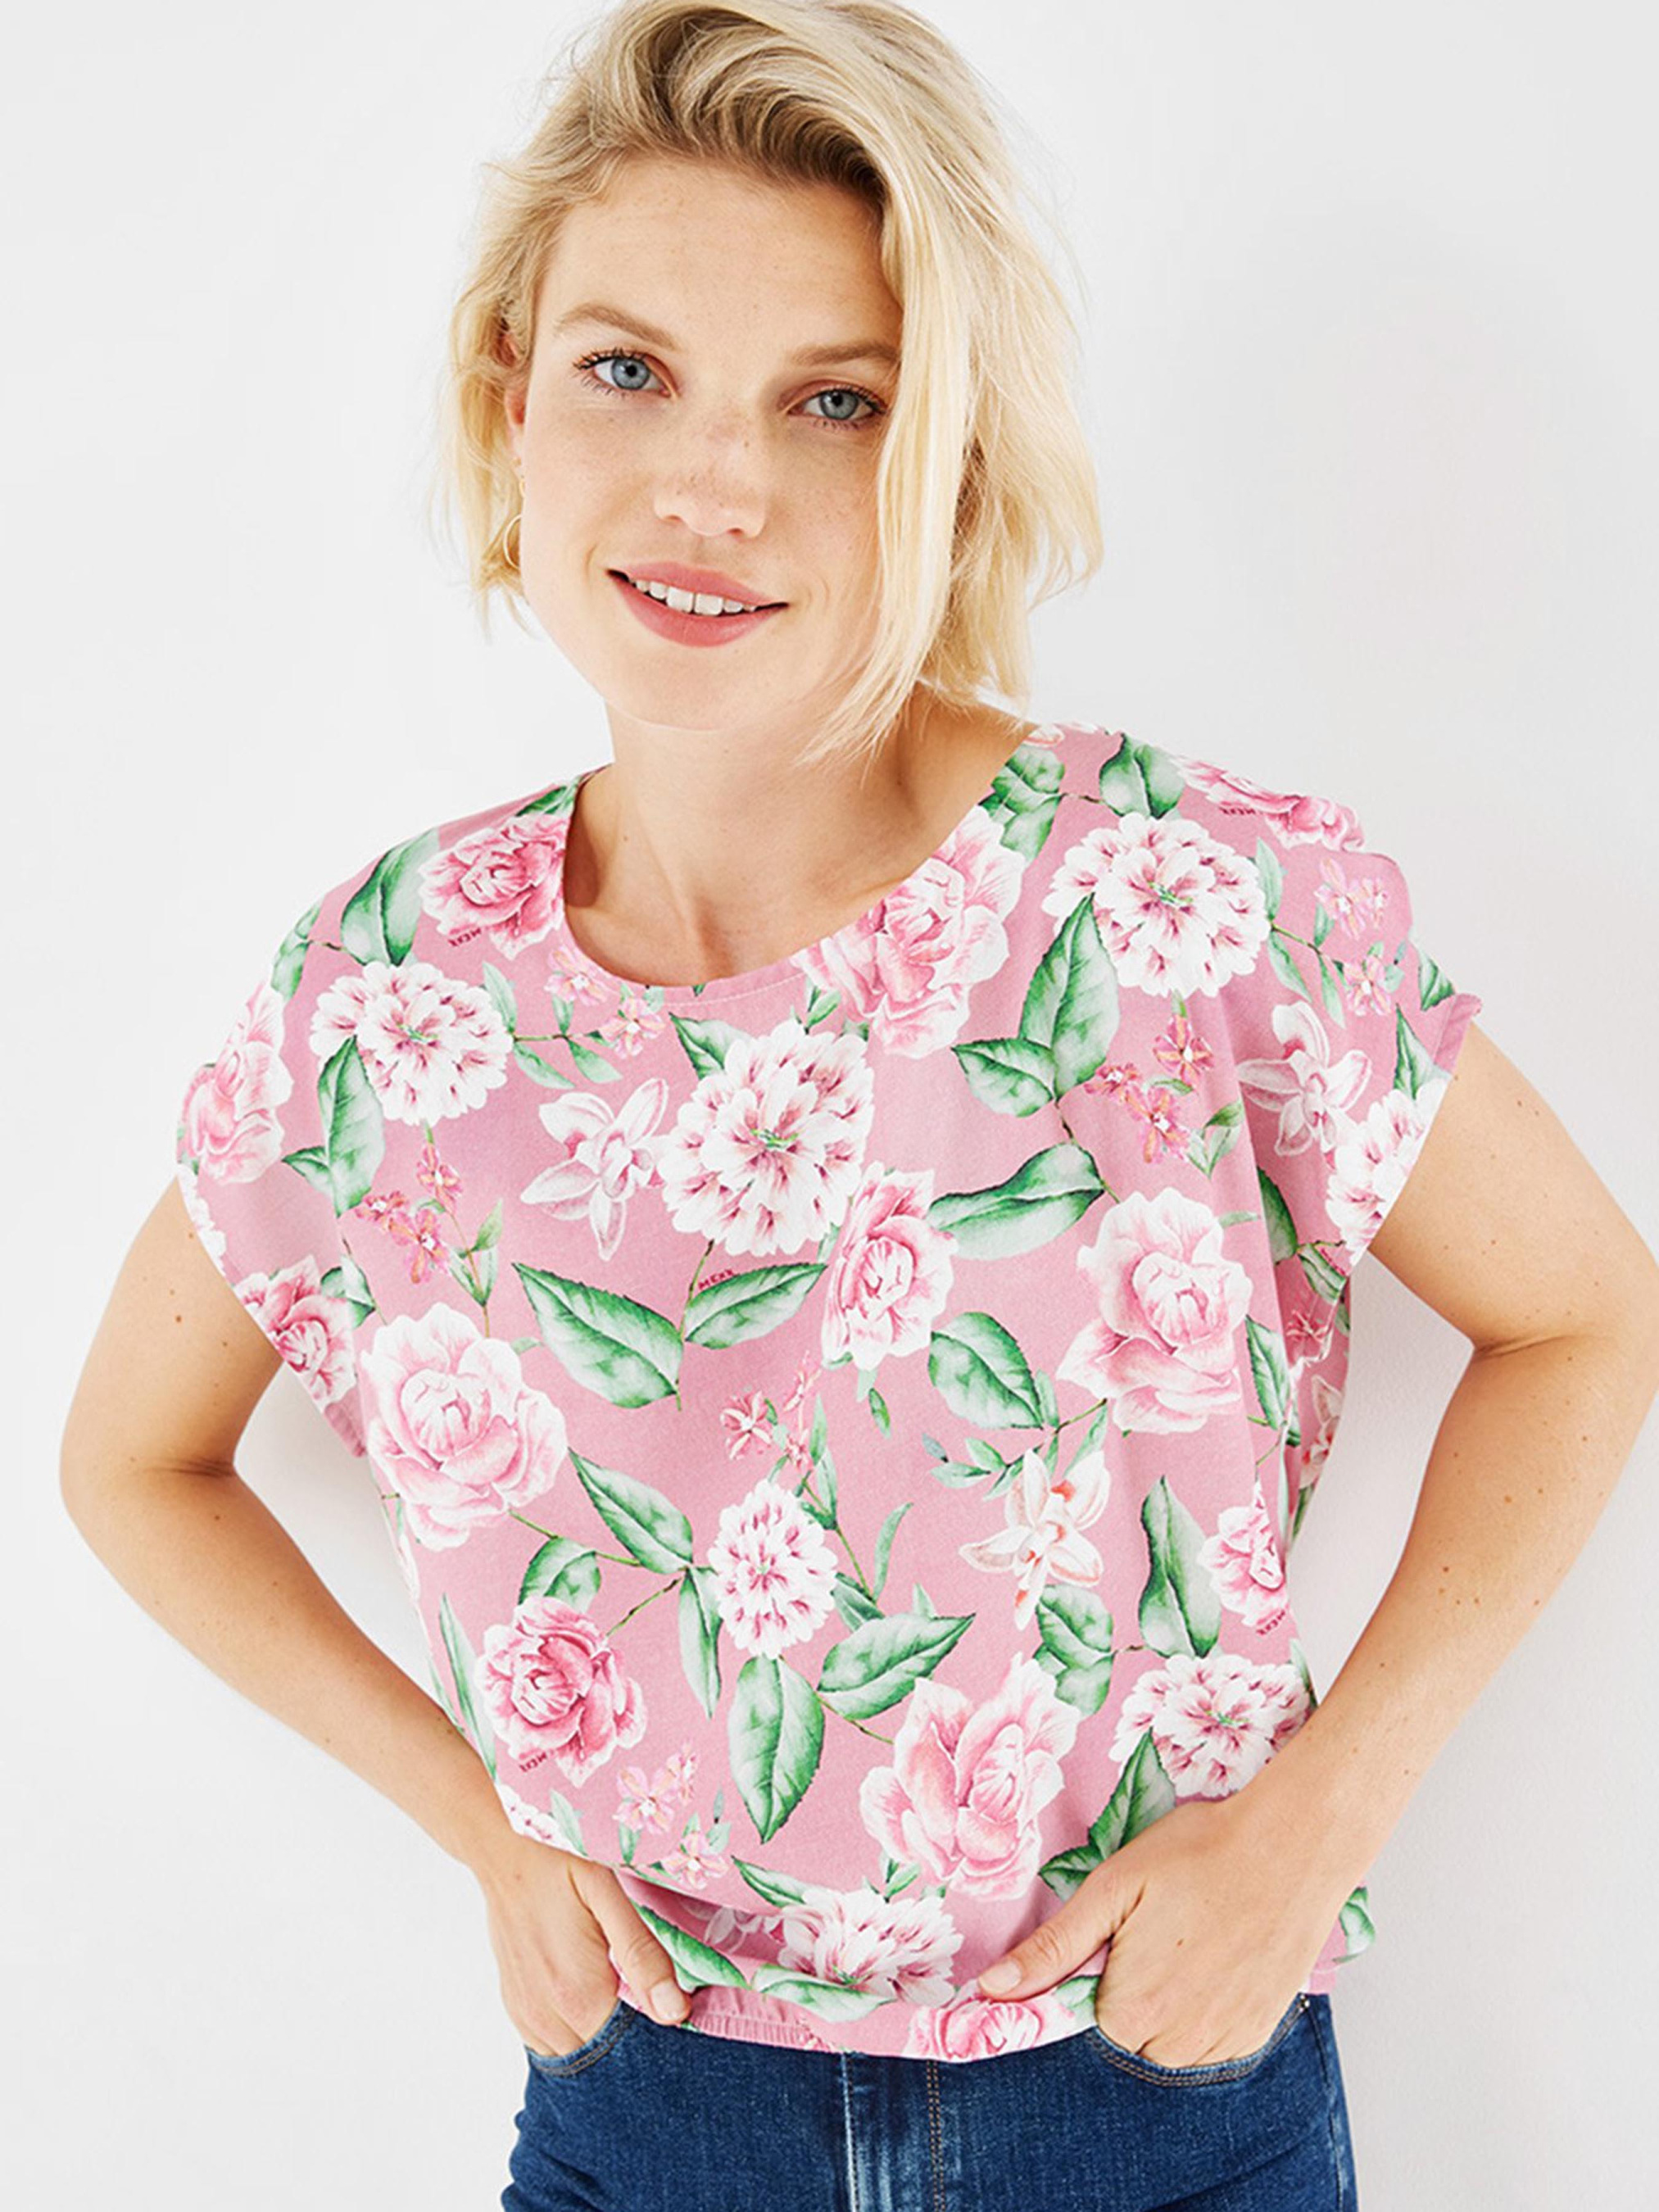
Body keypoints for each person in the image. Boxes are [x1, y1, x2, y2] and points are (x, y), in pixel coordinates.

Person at [58, 2, 1659, 2207]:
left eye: (836, 400)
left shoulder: (1172, 896)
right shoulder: (388, 996)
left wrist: (1326, 1812)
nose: (710, 487)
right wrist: (477, 1831)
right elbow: (131, 1463)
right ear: (509, 399)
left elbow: (1586, 1314)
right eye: (627, 369)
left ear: (949, 465)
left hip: (1152, 2105)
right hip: (646, 2112)